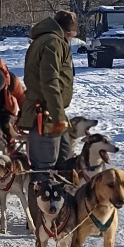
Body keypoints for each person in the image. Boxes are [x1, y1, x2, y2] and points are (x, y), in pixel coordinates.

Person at [18, 10, 78, 175]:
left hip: (51, 111)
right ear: (66, 32)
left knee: (65, 165)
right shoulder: (53, 43)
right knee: (44, 171)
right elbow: (49, 81)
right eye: (71, 35)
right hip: (45, 115)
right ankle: (38, 200)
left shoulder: (47, 39)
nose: (71, 39)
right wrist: (58, 117)